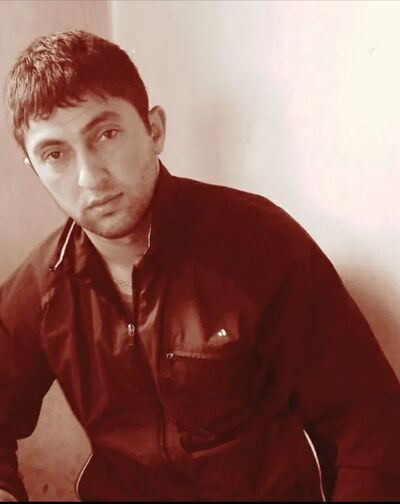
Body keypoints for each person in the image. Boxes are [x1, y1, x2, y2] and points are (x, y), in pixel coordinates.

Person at [0, 29, 400, 502]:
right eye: (55, 154)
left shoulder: (260, 244)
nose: (90, 177)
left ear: (154, 130)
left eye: (106, 134)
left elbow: (366, 419)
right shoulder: (42, 287)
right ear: (34, 168)